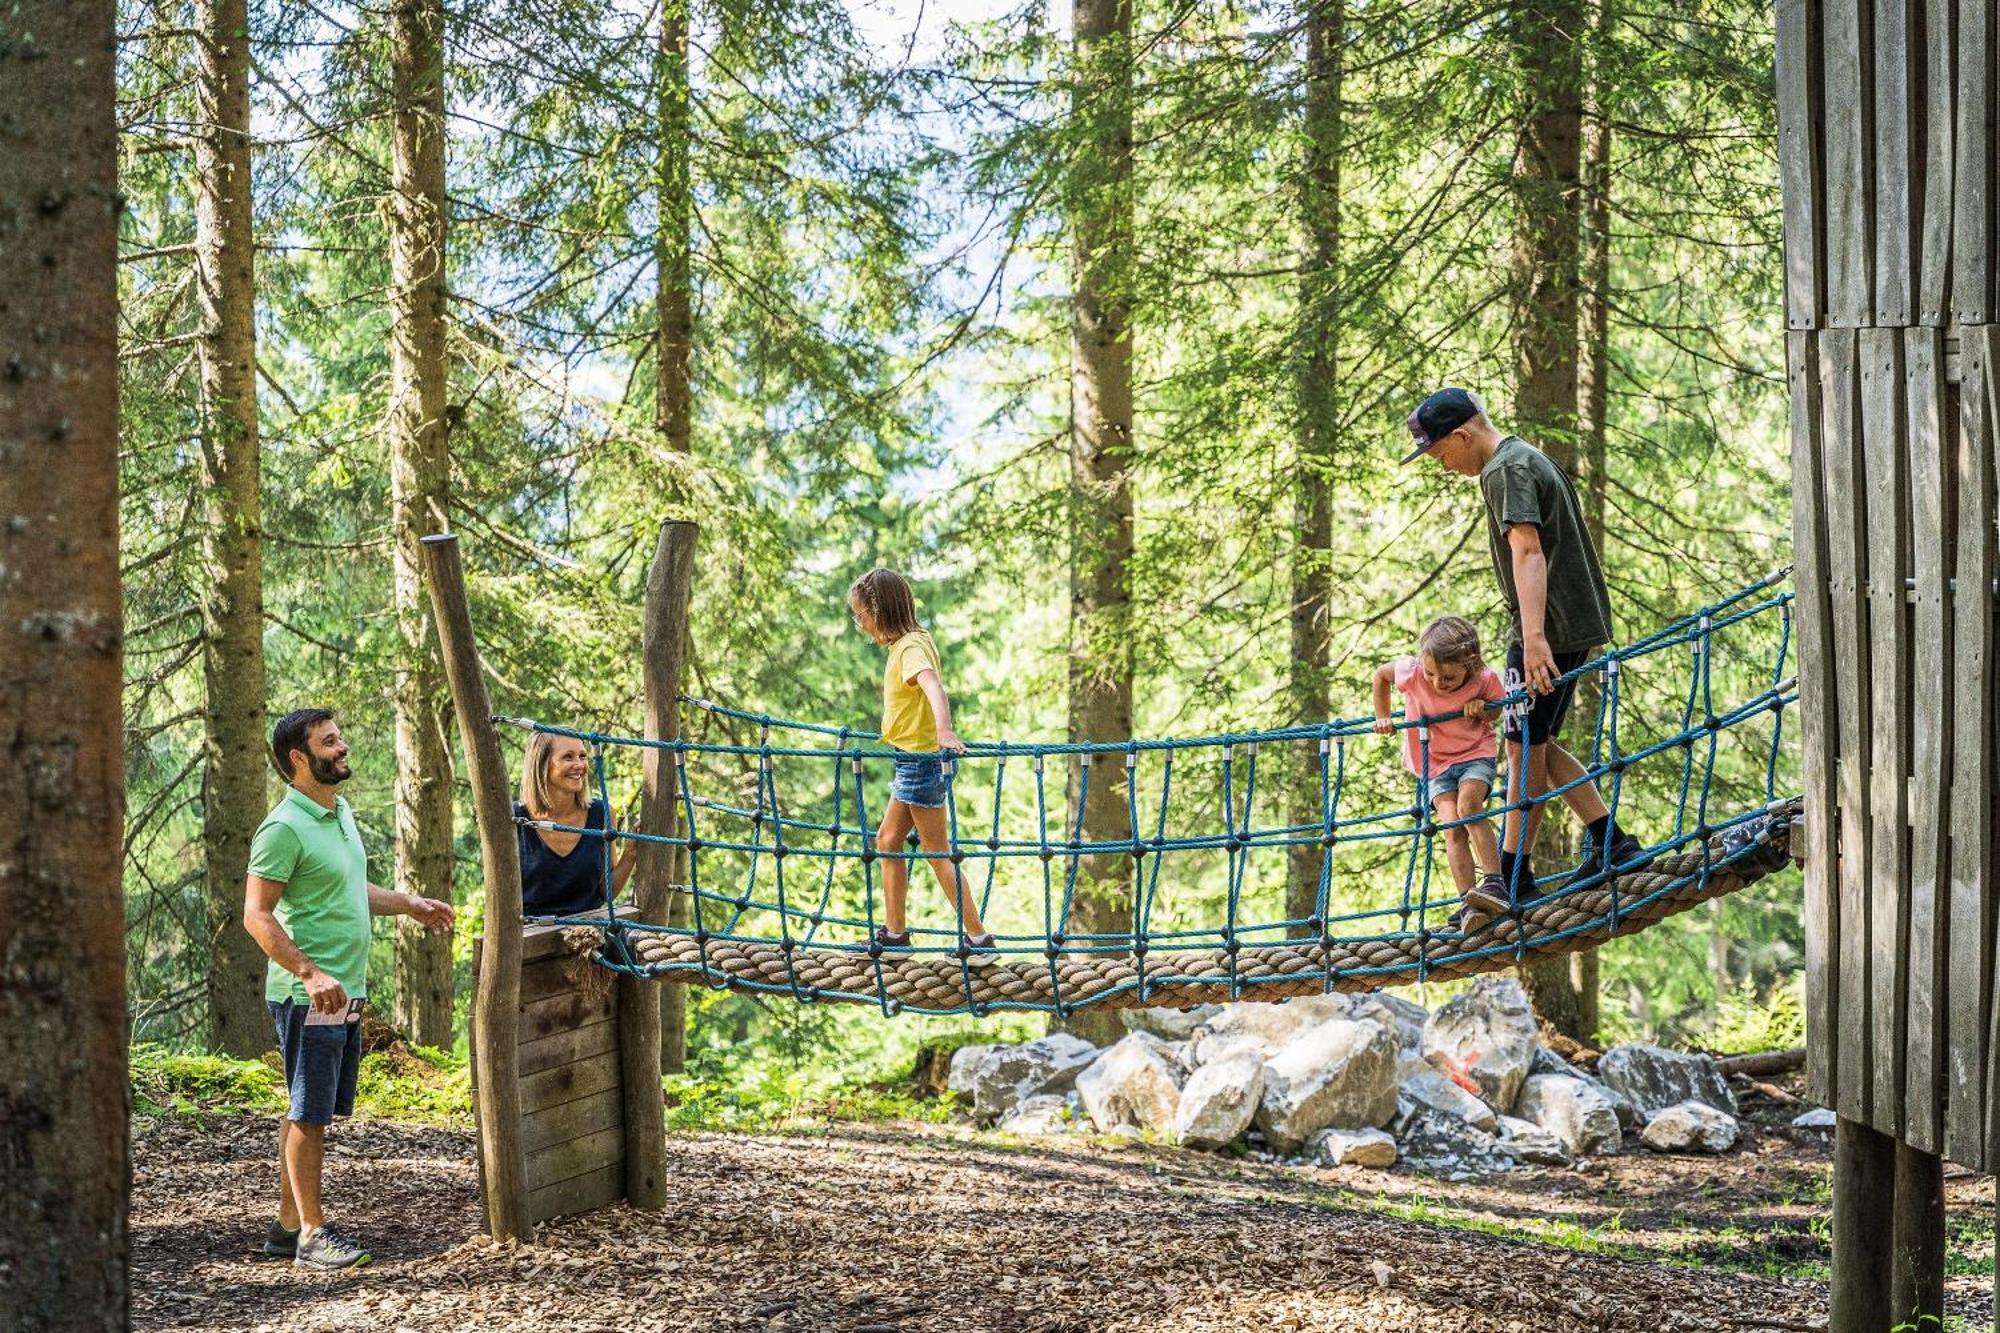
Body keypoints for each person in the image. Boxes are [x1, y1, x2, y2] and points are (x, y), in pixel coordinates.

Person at [1400, 387, 1645, 900]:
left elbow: (1528, 549)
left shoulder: (1502, 471)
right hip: (1565, 622)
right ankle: (1606, 840)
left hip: (1547, 628)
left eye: (1441, 454)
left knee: (1520, 746)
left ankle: (1513, 875)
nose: (1444, 466)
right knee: (1534, 741)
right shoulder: (1522, 456)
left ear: (1462, 436)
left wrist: (1534, 640)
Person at [241, 708, 454, 1271]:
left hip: (345, 993)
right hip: (306, 995)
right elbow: (257, 917)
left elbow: (347, 888)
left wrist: (408, 904)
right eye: (329, 742)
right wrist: (310, 973)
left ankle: (287, 1229)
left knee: (308, 1109)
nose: (342, 747)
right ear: (298, 758)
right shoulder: (282, 829)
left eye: (340, 737)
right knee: (309, 1113)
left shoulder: (339, 814)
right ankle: (312, 1235)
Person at [847, 567, 994, 951]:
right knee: (888, 839)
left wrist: (944, 730)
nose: (859, 623)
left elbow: (932, 685)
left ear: (879, 612)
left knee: (936, 851)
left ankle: (978, 939)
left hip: (920, 762)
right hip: (910, 760)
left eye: (860, 614)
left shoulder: (910, 648)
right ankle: (895, 934)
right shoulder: (913, 639)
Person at [1372, 615, 1509, 925]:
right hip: (1435, 764)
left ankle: (1494, 883)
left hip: (1475, 754)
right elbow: (1381, 676)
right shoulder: (1414, 672)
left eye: (1448, 677)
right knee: (1451, 827)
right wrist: (1383, 716)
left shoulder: (1483, 679)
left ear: (1470, 665)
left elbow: (1498, 709)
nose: (1437, 683)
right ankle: (1468, 902)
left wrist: (1483, 709)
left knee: (1468, 806)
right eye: (1432, 673)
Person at [516, 730, 639, 917]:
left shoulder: (602, 814)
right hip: (531, 934)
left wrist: (630, 854)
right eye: (568, 757)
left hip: (588, 934)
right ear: (542, 764)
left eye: (583, 756)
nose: (579, 765)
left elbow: (607, 891)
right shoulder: (515, 818)